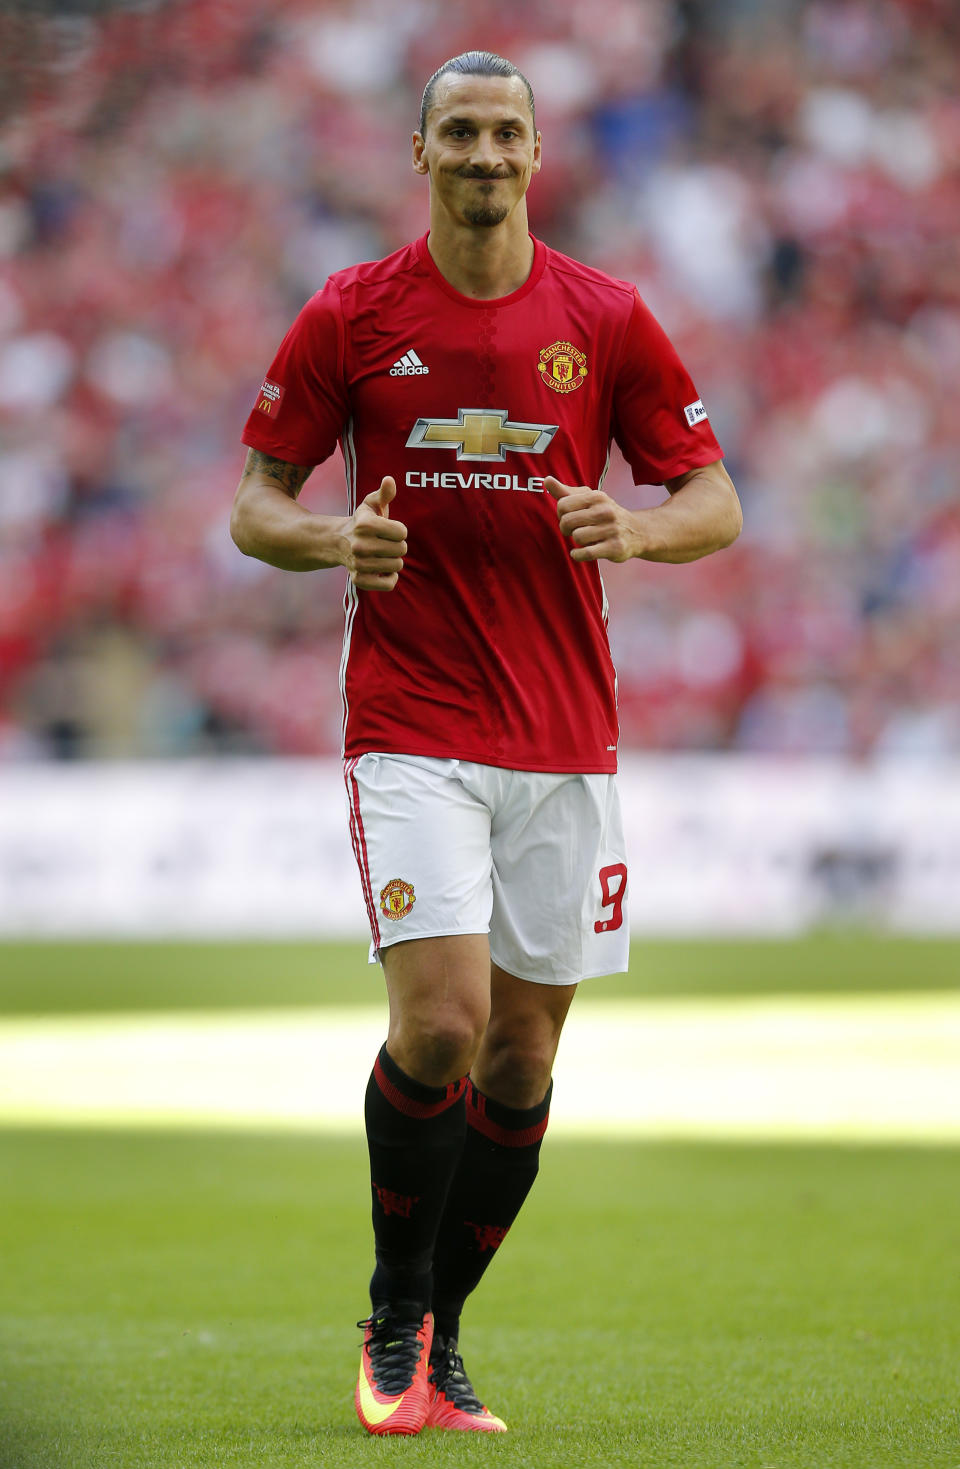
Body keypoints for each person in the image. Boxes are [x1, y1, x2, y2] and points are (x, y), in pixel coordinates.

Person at [231, 50, 742, 1438]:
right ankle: (395, 1311)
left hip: (565, 734)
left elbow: (713, 497)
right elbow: (256, 506)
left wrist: (634, 524)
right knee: (444, 1023)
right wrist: (338, 537)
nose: (483, 152)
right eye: (457, 130)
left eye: (504, 131)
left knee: (522, 1058)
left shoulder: (606, 317)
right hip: (412, 723)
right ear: (419, 153)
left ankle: (445, 1335)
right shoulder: (352, 315)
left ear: (535, 152)